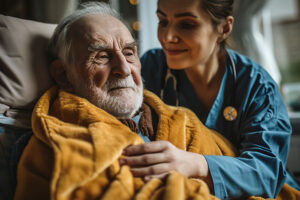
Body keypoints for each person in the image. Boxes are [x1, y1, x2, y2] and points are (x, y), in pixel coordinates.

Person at [11, 2, 236, 200]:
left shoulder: (184, 121)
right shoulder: (55, 144)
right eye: (102, 56)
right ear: (63, 75)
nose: (124, 68)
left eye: (129, 53)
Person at [130, 0, 300, 199]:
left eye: (186, 24)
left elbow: (266, 174)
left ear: (224, 28)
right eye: (163, 21)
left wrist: (197, 164)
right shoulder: (152, 67)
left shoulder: (257, 86)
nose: (167, 37)